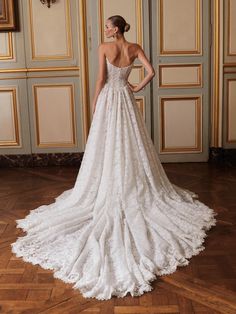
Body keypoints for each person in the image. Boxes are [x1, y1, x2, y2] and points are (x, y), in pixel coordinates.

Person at [11, 15, 217, 301]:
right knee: (132, 144)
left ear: (116, 28)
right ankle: (131, 183)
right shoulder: (134, 47)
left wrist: (95, 106)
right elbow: (152, 72)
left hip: (110, 98)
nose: (105, 29)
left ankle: (110, 184)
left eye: (108, 26)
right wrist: (138, 86)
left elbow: (100, 80)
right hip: (126, 99)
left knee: (107, 144)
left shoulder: (104, 49)